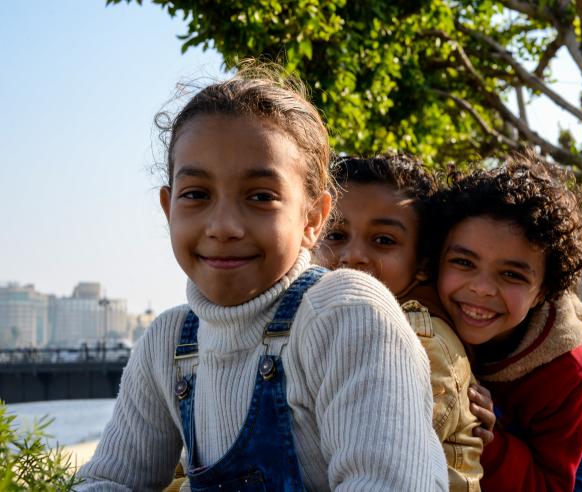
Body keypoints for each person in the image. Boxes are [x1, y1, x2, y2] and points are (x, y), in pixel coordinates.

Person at [77, 64, 448, 491]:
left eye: (260, 197)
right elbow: (110, 480)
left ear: (314, 218)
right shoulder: (168, 344)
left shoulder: (346, 315)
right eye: (196, 195)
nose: (223, 226)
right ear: (168, 208)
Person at [316, 155, 484, 491]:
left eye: (383, 240)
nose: (352, 255)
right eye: (335, 234)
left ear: (422, 263)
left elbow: (379, 459)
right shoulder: (334, 327)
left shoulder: (418, 339)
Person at [431, 151, 582, 491]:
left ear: (543, 292)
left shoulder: (567, 370)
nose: (481, 288)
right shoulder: (424, 308)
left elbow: (552, 483)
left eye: (511, 274)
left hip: (553, 462)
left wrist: (487, 441)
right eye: (463, 262)